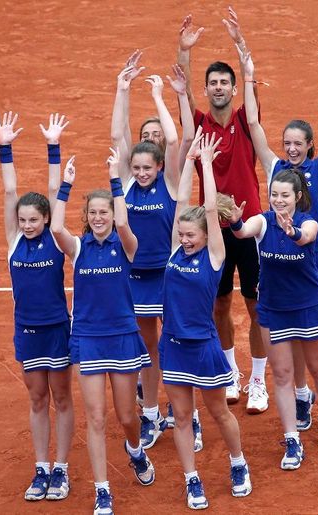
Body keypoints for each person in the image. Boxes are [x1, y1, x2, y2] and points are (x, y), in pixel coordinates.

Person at [237, 41, 318, 431]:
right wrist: (247, 76)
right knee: (292, 332)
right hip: (282, 255)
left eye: (299, 143)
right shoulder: (276, 169)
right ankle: (301, 395)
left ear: (309, 145)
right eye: (288, 143)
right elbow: (254, 125)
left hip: (317, 255)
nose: (292, 148)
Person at [51, 147, 155, 515]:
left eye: (104, 212)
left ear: (112, 214)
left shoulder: (126, 245)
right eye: (93, 213)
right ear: (87, 216)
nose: (98, 218)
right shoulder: (78, 249)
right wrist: (65, 186)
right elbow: (56, 228)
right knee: (95, 418)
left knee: (127, 417)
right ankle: (102, 489)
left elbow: (126, 224)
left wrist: (115, 179)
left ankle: (135, 450)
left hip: (124, 338)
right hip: (89, 341)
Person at [111, 54, 205, 451]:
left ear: (159, 166)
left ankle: (190, 415)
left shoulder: (168, 178)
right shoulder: (126, 183)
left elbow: (175, 138)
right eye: (136, 167)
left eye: (147, 167)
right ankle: (150, 413)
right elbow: (118, 136)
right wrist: (122, 88)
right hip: (135, 277)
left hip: (169, 275)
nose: (141, 172)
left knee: (178, 341)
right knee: (147, 347)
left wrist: (160, 96)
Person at [177, 8, 268, 412]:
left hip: (248, 227)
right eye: (211, 83)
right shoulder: (197, 126)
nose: (217, 88)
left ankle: (259, 380)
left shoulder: (247, 121)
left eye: (223, 83)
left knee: (255, 303)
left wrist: (241, 44)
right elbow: (182, 94)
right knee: (220, 304)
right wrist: (184, 52)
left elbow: (250, 81)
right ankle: (230, 372)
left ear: (233, 89)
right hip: (212, 230)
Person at [161, 128, 252, 509]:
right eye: (182, 234)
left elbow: (209, 209)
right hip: (174, 348)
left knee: (217, 412)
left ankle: (238, 463)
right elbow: (182, 199)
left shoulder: (214, 257)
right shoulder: (174, 251)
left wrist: (208, 167)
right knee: (182, 418)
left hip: (204, 349)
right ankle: (192, 479)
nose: (185, 239)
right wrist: (190, 161)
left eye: (191, 235)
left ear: (205, 235)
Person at [228, 168, 318, 470]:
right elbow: (242, 231)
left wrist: (290, 231)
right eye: (274, 195)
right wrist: (236, 220)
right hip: (273, 308)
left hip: (307, 306)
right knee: (281, 375)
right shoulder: (263, 221)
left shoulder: (308, 221)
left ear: (297, 197)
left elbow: (306, 238)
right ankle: (292, 438)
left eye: (284, 196)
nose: (278, 200)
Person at [0, 112, 74, 501]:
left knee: (62, 398)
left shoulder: (56, 240)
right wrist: (5, 147)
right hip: (27, 331)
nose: (27, 224)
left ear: (46, 218)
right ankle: (41, 466)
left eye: (34, 219)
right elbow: (10, 192)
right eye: (23, 220)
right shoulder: (15, 241)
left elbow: (53, 186)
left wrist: (53, 146)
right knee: (37, 398)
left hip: (58, 328)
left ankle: (61, 468)